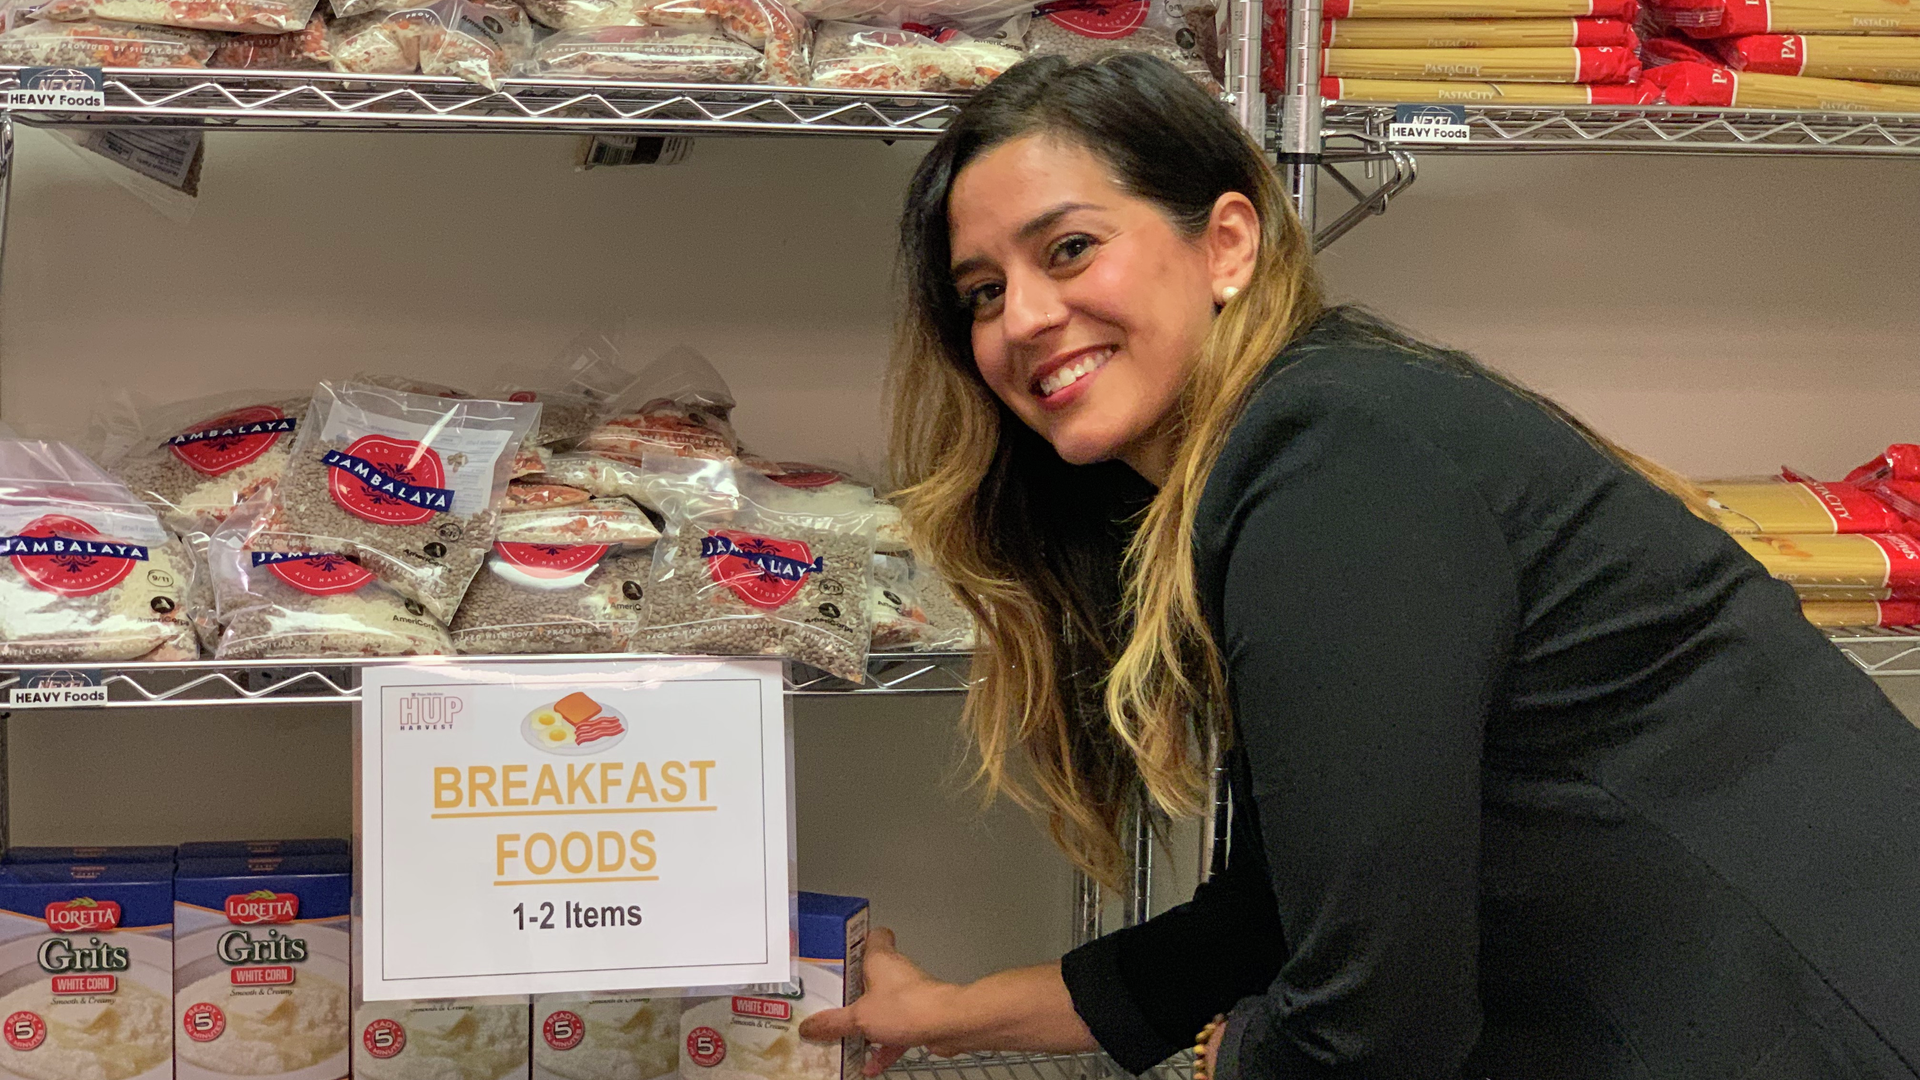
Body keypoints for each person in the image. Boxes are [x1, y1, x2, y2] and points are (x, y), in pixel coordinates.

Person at [798, 52, 1920, 1079]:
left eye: (1069, 248)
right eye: (983, 293)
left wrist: (1226, 1060)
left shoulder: (1331, 460)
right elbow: (1280, 915)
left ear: (1226, 244)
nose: (1025, 317)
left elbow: (1377, 1027)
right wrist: (944, 1013)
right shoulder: (1301, 442)